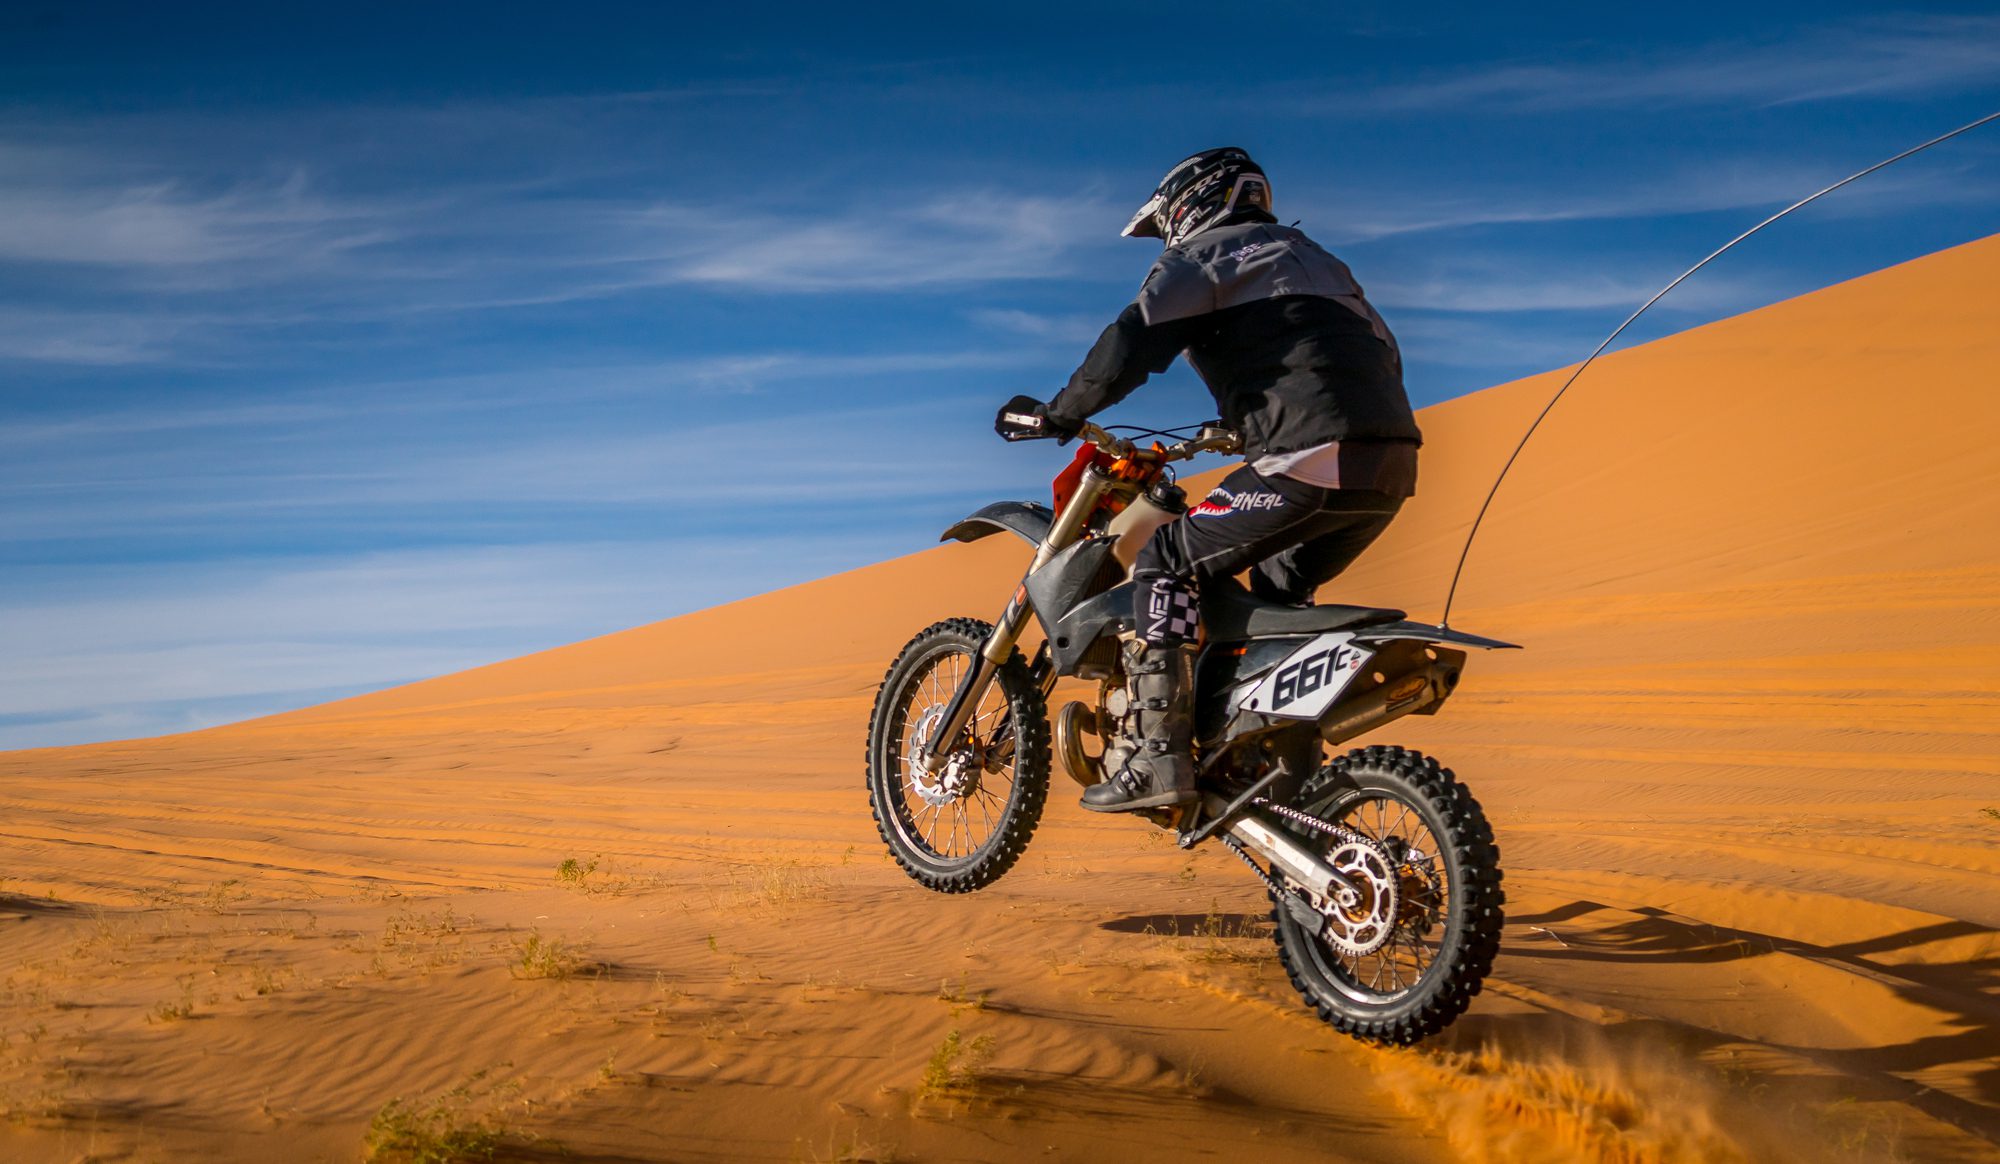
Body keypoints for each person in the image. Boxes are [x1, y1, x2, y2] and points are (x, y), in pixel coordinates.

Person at [995, 146, 1421, 813]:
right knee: (1279, 594)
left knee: (1164, 559)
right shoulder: (1320, 261)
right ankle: (1276, 771)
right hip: (1389, 464)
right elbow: (1378, 355)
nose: (1164, 236)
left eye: (1165, 222)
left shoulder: (1201, 259)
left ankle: (1155, 761)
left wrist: (1062, 412)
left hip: (1305, 458)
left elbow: (1130, 343)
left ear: (1190, 205)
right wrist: (1254, 419)